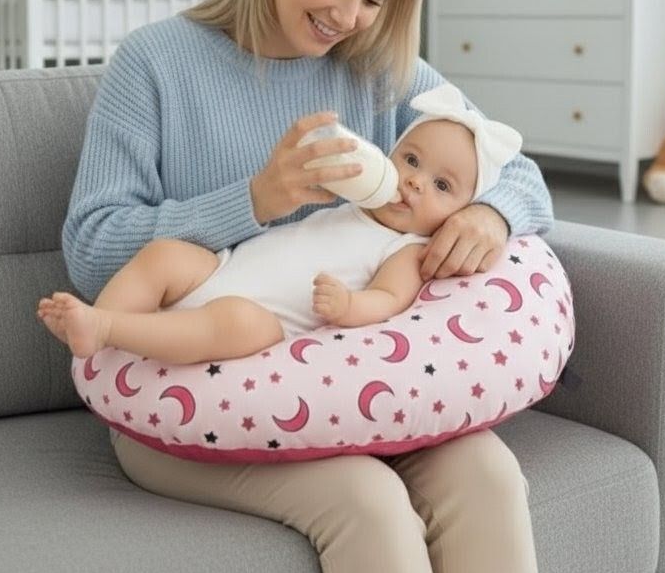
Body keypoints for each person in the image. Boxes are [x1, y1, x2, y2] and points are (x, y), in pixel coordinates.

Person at [62, 0, 552, 573]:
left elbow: (507, 163)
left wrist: (489, 210)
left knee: (486, 474)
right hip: (192, 391)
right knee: (366, 502)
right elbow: (92, 249)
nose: (349, 17)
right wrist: (250, 201)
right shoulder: (157, 64)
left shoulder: (379, 73)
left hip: (353, 391)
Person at [41, 85, 522, 365]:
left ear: (463, 206)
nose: (415, 183)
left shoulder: (407, 249)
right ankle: (102, 352)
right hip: (221, 269)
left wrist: (348, 304)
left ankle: (107, 327)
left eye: (442, 187)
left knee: (234, 322)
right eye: (411, 160)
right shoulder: (358, 200)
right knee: (166, 254)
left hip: (262, 318)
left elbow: (388, 300)